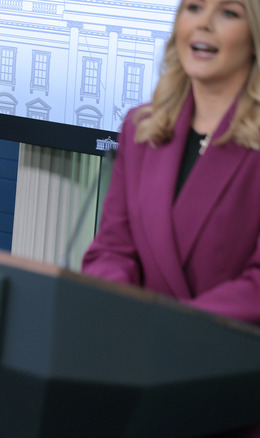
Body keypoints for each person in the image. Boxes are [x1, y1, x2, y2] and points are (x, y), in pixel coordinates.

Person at [82, 0, 260, 434]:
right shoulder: (140, 127)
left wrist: (169, 332)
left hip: (232, 386)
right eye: (194, 7)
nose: (203, 22)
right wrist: (123, 316)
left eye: (228, 12)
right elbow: (112, 248)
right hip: (142, 380)